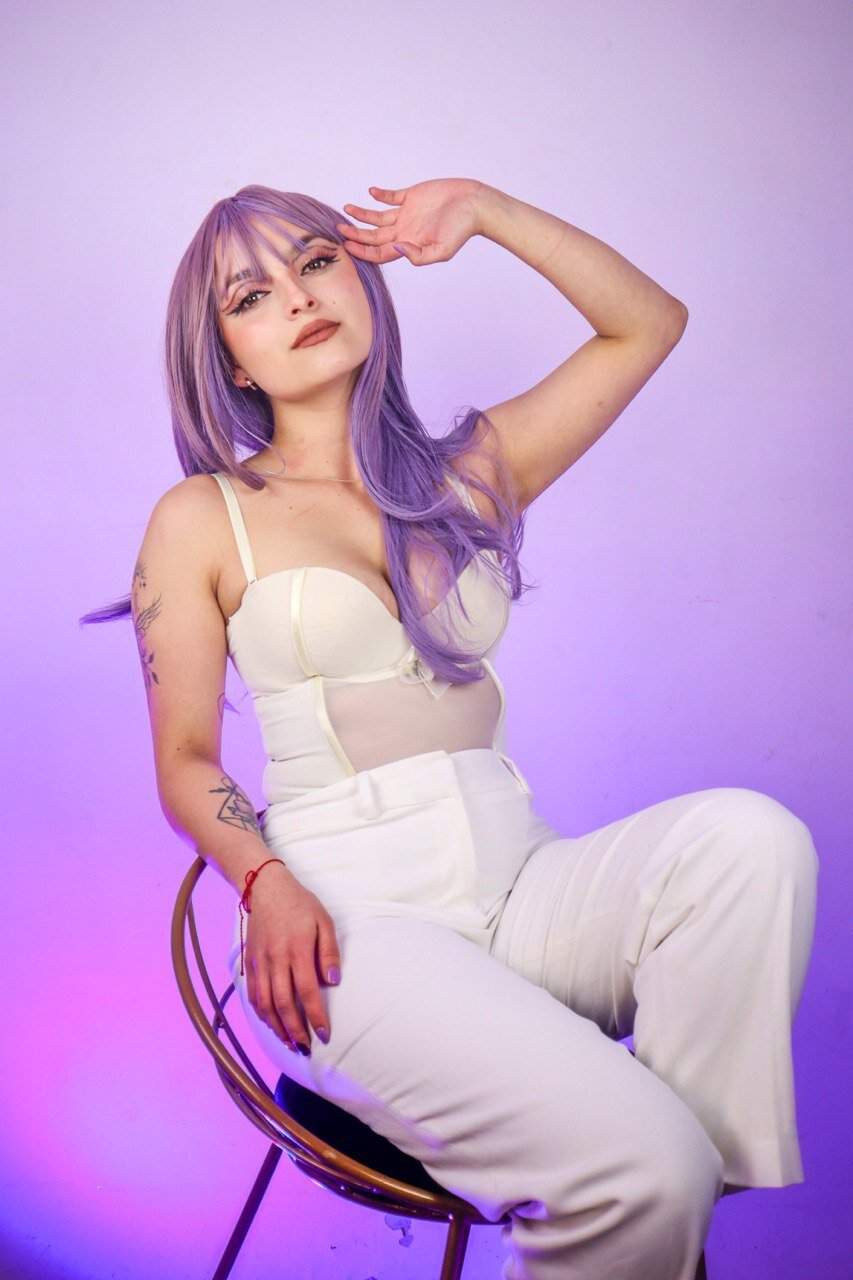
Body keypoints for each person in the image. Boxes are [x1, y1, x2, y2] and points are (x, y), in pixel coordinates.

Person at [86, 179, 818, 1280]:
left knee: (749, 840)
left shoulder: (469, 474)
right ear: (229, 360)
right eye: (251, 294)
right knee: (647, 1163)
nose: (298, 296)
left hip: (515, 883)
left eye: (317, 261)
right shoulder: (201, 518)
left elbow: (648, 323)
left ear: (365, 280)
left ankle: (660, 1208)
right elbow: (184, 761)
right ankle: (654, 1192)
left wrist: (484, 210)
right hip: (348, 924)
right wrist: (263, 879)